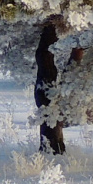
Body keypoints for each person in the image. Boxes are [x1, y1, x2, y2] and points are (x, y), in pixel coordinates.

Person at [35, 17, 71, 155]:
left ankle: (52, 150)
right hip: (45, 87)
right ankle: (52, 149)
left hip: (47, 87)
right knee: (43, 55)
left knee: (43, 55)